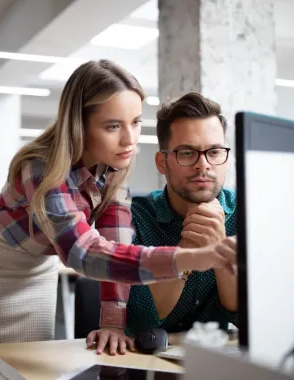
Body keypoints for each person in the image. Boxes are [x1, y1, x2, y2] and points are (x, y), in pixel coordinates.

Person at [0, 60, 238, 380]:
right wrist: (191, 256)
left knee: (23, 368)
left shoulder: (114, 164)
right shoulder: (42, 167)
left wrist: (112, 324)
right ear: (80, 125)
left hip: (38, 267)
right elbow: (85, 254)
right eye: (113, 126)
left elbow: (114, 246)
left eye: (136, 122)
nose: (130, 139)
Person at [87, 92, 238, 355]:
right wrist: (189, 250)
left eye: (214, 152)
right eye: (187, 153)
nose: (203, 165)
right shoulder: (129, 219)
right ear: (162, 162)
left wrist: (219, 248)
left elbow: (248, 321)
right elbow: (139, 322)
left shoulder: (245, 214)